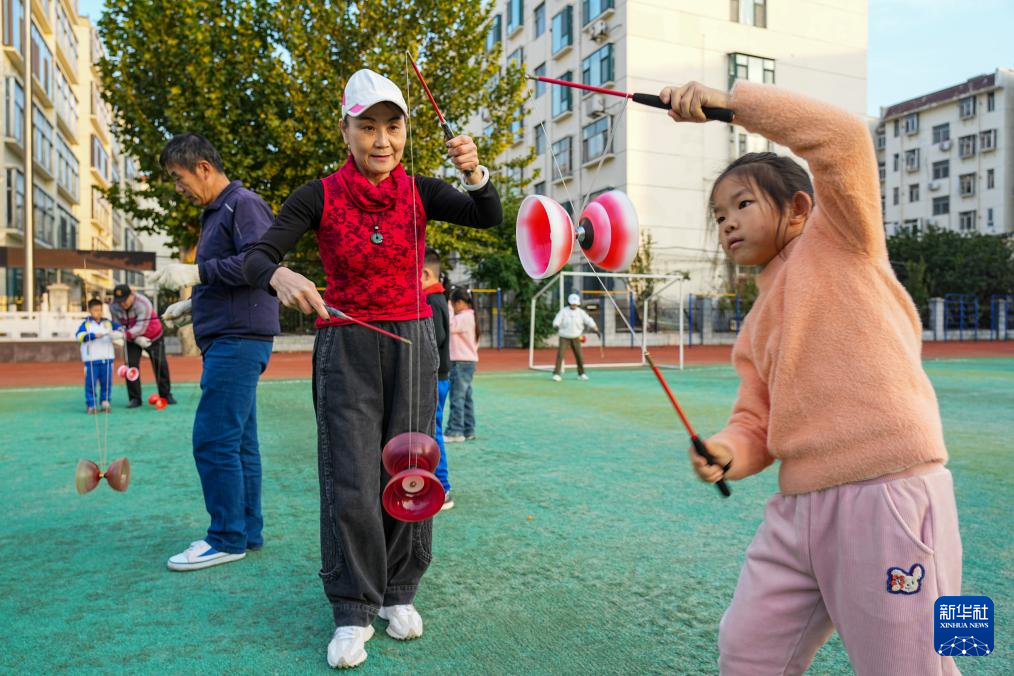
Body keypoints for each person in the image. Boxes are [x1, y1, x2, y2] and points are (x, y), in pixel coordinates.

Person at [663, 80, 961, 675]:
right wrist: (727, 452)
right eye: (718, 216)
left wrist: (729, 105)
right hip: (797, 509)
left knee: (915, 663)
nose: (726, 224)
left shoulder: (843, 238)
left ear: (800, 209)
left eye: (742, 205)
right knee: (747, 650)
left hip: (889, 493)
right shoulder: (755, 323)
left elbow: (843, 137)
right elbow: (756, 422)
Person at [242, 69, 501, 668]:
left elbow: (487, 215)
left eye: (393, 126)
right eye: (368, 127)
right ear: (346, 130)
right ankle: (353, 608)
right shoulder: (318, 195)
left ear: (406, 130)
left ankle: (398, 591)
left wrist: (475, 173)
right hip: (346, 344)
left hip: (413, 342)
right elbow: (257, 256)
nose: (382, 140)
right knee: (353, 479)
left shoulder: (421, 191)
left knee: (411, 468)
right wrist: (278, 274)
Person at [149, 133, 280, 572]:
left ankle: (225, 537)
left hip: (237, 340)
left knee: (215, 438)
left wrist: (196, 274)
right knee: (239, 441)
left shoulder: (241, 204)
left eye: (178, 177)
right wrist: (193, 305)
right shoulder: (220, 210)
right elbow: (233, 274)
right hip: (235, 336)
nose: (178, 188)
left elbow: (259, 263)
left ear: (203, 167)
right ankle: (245, 530)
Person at [422, 247, 454, 511]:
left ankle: (442, 489)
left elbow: (435, 338)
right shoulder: (436, 298)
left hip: (435, 377)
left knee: (434, 432)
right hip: (437, 376)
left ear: (425, 274)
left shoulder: (432, 300)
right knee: (430, 430)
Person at [110, 284, 174, 407]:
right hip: (131, 338)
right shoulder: (113, 306)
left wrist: (125, 334)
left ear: (131, 295)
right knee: (131, 365)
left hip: (153, 336)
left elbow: (141, 328)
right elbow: (117, 325)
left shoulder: (143, 303)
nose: (122, 304)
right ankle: (135, 398)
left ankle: (165, 395)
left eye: (125, 300)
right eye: (119, 301)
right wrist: (123, 333)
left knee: (160, 364)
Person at [75, 299, 124, 414]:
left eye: (100, 310)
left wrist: (117, 333)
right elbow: (79, 336)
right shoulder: (86, 324)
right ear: (90, 310)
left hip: (107, 358)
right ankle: (91, 404)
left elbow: (121, 330)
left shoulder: (108, 323)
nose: (98, 312)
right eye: (95, 310)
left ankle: (105, 402)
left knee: (106, 383)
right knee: (91, 384)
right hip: (92, 360)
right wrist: (93, 336)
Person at [444, 288, 479, 443]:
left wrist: (448, 308)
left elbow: (450, 326)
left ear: (459, 303)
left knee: (457, 398)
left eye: (453, 304)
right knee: (466, 398)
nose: (453, 307)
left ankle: (455, 431)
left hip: (461, 362)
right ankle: (468, 429)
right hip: (467, 362)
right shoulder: (470, 316)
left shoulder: (464, 317)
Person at [551, 292, 599, 382]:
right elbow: (557, 320)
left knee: (579, 356)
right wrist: (556, 324)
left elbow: (588, 320)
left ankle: (581, 374)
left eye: (575, 303)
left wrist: (594, 327)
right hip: (564, 337)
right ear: (569, 303)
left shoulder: (581, 312)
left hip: (576, 337)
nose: (574, 305)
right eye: (572, 303)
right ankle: (556, 374)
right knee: (560, 355)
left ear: (578, 303)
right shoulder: (563, 311)